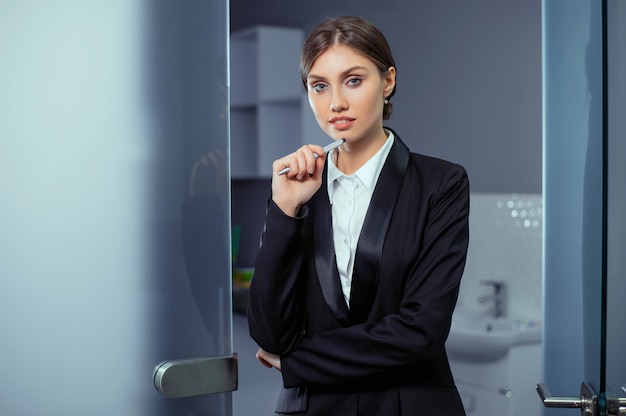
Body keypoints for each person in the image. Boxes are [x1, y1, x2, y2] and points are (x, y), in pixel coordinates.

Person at [247, 15, 470, 416]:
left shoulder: (441, 183)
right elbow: (269, 334)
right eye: (319, 86)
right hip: (316, 408)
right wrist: (285, 210)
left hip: (409, 406)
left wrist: (300, 361)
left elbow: (421, 332)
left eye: (353, 80)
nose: (335, 103)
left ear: (387, 81)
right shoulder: (297, 190)